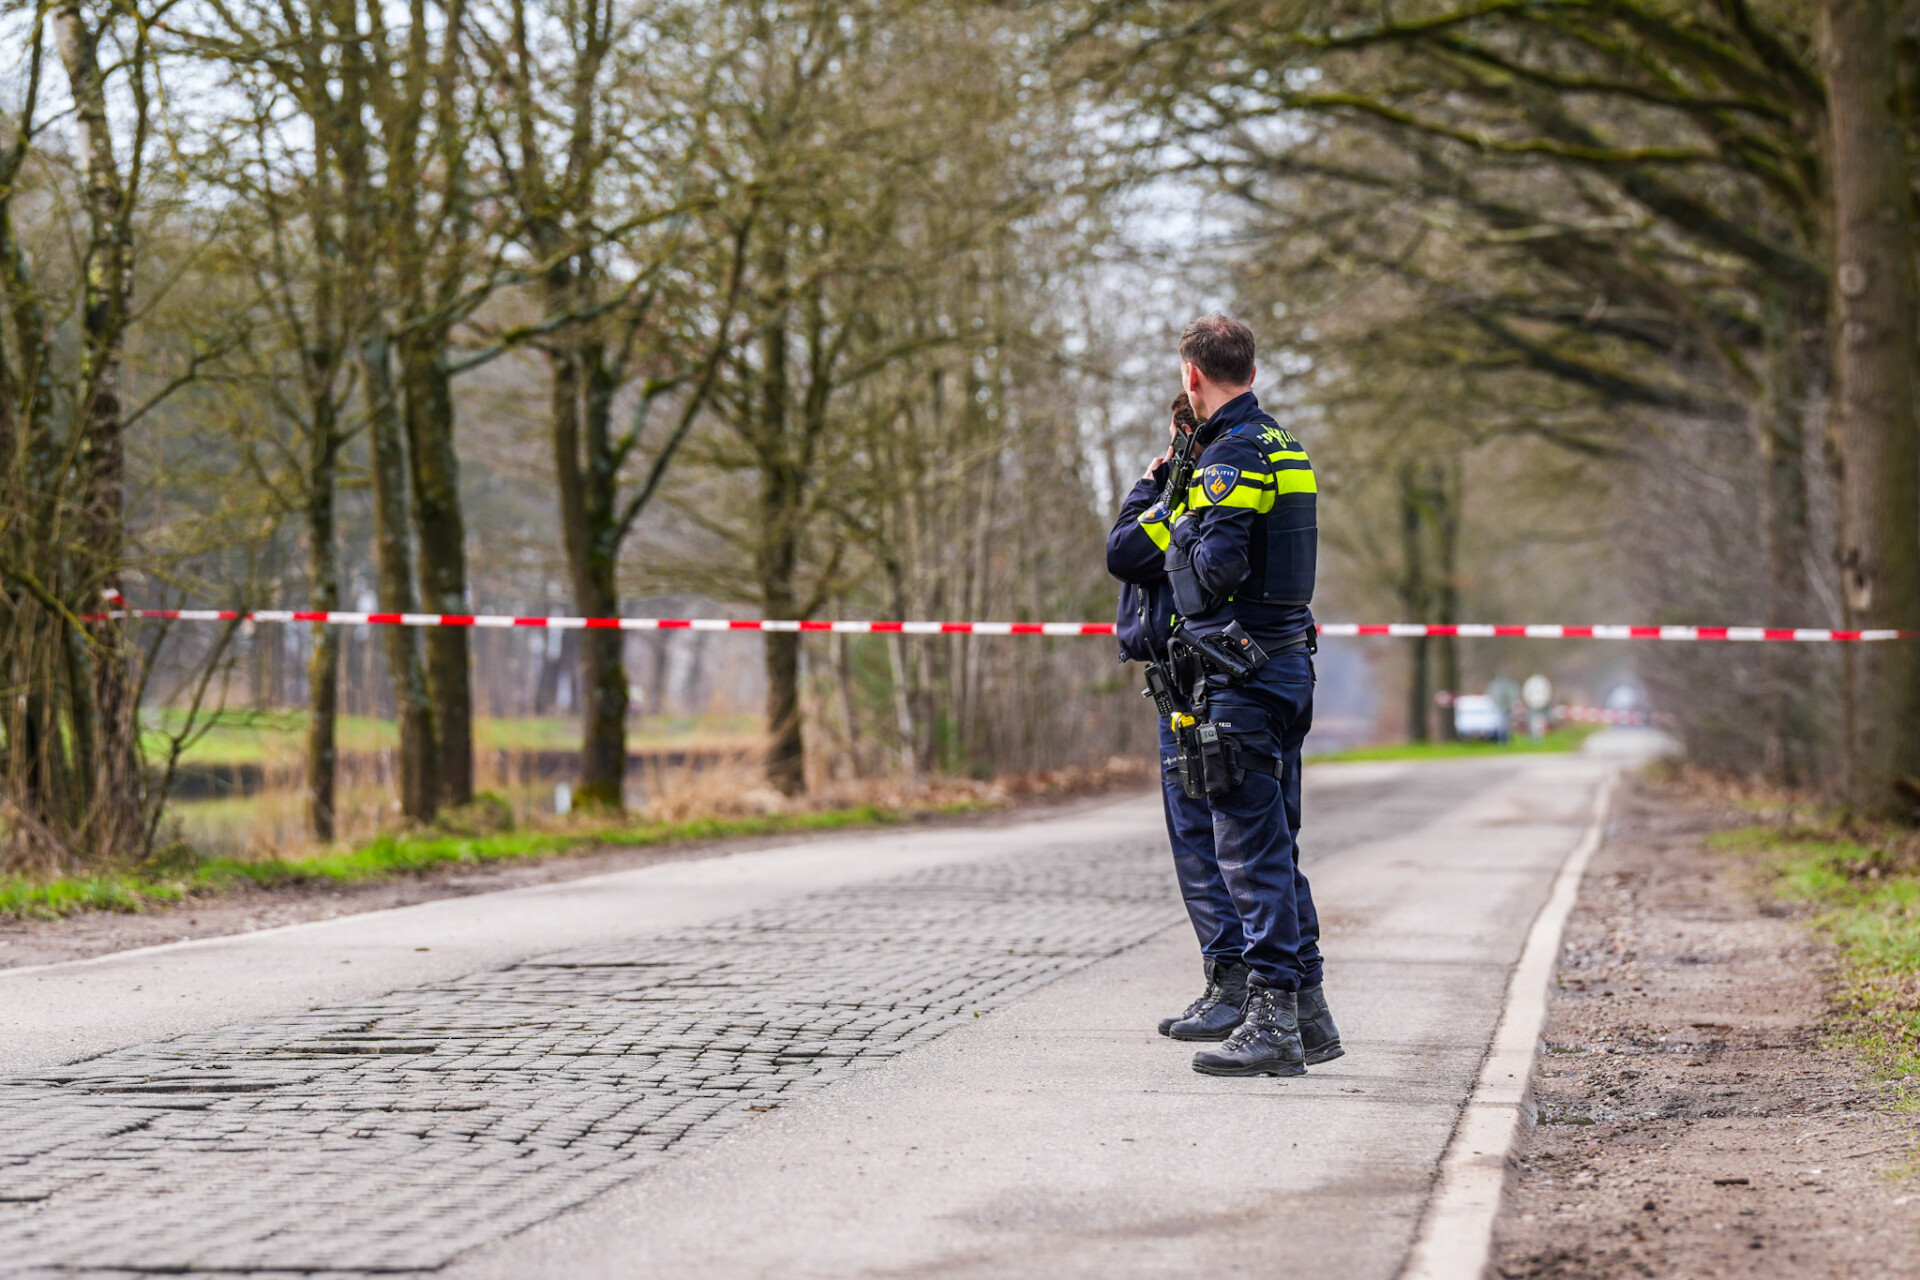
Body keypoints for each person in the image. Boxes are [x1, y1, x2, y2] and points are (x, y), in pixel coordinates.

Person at [1105, 314, 1340, 1078]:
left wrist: (1175, 529)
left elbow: (1215, 569)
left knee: (1248, 850)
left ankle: (1273, 1018)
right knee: (1274, 844)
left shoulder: (1232, 455)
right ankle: (1308, 1013)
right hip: (1283, 665)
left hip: (1240, 675)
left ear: (1192, 375)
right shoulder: (1286, 447)